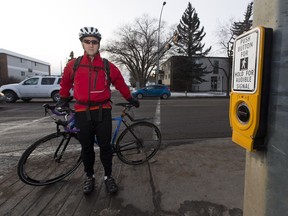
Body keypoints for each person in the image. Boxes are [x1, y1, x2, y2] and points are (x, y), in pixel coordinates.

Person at [57, 26, 139, 195]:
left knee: (105, 147)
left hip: (103, 111)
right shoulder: (74, 64)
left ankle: (108, 177)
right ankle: (90, 176)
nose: (91, 44)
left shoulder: (107, 66)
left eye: (94, 42)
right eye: (87, 41)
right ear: (82, 43)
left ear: (99, 44)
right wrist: (63, 98)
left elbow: (120, 83)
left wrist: (130, 98)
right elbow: (65, 83)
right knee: (86, 148)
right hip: (81, 112)